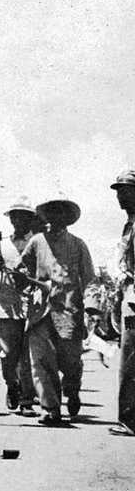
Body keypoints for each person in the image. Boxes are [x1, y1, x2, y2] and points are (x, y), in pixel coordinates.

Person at [18, 195, 95, 426]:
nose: (54, 217)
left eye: (60, 212)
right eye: (51, 212)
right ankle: (50, 408)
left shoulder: (78, 244)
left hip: (69, 311)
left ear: (67, 218)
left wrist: (93, 309)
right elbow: (23, 272)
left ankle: (72, 389)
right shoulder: (36, 242)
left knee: (70, 363)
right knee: (40, 361)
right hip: (40, 311)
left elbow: (90, 279)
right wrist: (19, 275)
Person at [0, 197, 38, 417]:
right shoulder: (2, 245)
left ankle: (27, 400)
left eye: (24, 216)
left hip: (31, 306)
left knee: (28, 357)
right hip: (6, 306)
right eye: (15, 216)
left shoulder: (38, 242)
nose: (19, 220)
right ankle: (11, 385)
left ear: (30, 219)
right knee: (8, 356)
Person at [109, 171, 135, 436]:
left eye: (125, 190)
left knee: (130, 362)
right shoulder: (129, 224)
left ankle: (129, 420)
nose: (120, 196)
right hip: (129, 297)